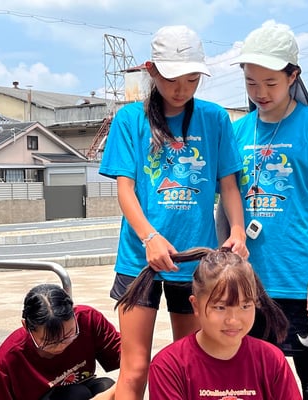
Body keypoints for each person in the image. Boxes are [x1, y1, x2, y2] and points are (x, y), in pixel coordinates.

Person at [99, 25, 248, 399]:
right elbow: (125, 190)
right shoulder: (130, 120)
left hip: (195, 261)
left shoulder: (214, 119)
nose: (182, 89)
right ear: (151, 70)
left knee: (192, 364)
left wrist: (238, 230)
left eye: (192, 79)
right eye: (171, 79)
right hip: (140, 260)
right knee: (134, 369)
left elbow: (229, 185)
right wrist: (149, 237)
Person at [217, 22, 308, 399]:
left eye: (270, 82)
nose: (260, 93)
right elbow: (226, 200)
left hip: (298, 277)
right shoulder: (237, 132)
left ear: (293, 76)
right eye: (251, 82)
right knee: (250, 378)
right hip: (247, 280)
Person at [148, 248, 301, 399]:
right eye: (220, 307)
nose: (233, 320)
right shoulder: (169, 366)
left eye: (245, 306)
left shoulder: (272, 360)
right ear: (196, 305)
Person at [0, 284, 121, 400]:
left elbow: (126, 354)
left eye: (69, 335)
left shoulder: (88, 319)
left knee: (105, 386)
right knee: (75, 394)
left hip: (83, 385)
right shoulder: (9, 359)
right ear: (26, 326)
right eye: (49, 342)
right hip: (54, 396)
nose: (60, 347)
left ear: (74, 314)